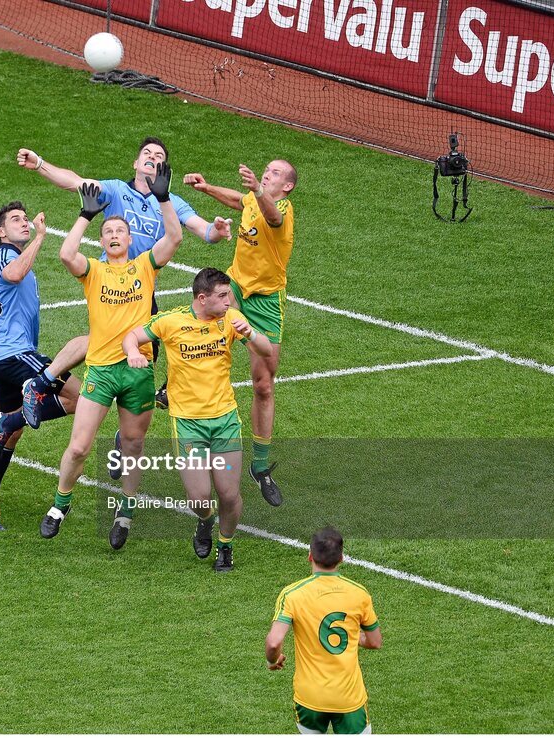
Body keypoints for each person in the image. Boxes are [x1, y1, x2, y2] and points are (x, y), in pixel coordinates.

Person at [16, 137, 232, 413]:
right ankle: (43, 381)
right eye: (147, 152)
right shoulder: (117, 190)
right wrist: (40, 164)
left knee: (144, 352)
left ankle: (41, 387)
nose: (152, 156)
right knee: (108, 340)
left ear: (164, 168)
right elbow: (76, 183)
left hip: (142, 285)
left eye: (158, 155)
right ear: (136, 162)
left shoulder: (171, 202)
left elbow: (205, 231)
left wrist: (218, 228)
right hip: (109, 280)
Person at [41, 163, 183, 550]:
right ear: (102, 242)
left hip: (138, 372)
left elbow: (174, 236)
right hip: (102, 371)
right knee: (78, 447)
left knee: (134, 446)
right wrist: (86, 214)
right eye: (109, 232)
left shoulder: (145, 266)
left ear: (130, 237)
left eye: (120, 230)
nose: (115, 234)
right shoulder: (93, 271)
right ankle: (60, 505)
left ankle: (126, 510)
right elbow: (66, 252)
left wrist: (165, 198)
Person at [122, 267, 272, 572]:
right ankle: (205, 522)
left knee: (229, 494)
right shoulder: (171, 321)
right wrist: (131, 353)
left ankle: (226, 546)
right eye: (222, 296)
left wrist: (251, 334)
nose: (229, 301)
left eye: (228, 294)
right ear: (202, 298)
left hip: (225, 421)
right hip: (188, 424)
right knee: (200, 497)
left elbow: (266, 351)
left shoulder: (230, 320)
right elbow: (133, 335)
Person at [0, 202, 81, 531]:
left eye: (25, 220)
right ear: (1, 231)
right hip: (16, 355)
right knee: (81, 397)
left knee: (11, 435)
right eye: (16, 221)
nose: (24, 223)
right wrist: (41, 236)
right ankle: (8, 418)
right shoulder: (5, 257)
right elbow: (14, 274)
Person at [183, 160, 297, 507]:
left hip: (265, 302)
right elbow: (240, 201)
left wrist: (256, 190)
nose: (267, 173)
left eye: (275, 172)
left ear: (287, 186)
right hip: (234, 288)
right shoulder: (254, 198)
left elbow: (269, 215)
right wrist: (208, 189)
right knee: (195, 321)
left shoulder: (282, 210)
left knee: (264, 383)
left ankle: (260, 467)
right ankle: (168, 388)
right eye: (266, 169)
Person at [265, 526, 382, 734]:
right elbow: (375, 641)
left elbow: (274, 642)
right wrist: (355, 638)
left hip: (310, 698)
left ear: (310, 556)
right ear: (342, 558)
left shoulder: (292, 594)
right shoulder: (359, 594)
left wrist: (273, 660)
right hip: (349, 699)